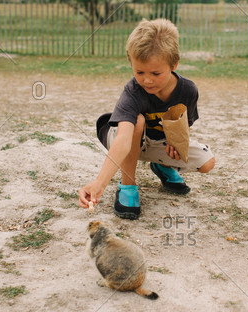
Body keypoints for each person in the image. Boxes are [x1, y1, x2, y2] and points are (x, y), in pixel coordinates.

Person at [78, 18, 215, 220]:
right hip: (120, 138)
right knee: (138, 121)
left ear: (174, 64)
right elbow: (123, 140)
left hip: (155, 142)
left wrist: (176, 143)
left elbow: (183, 126)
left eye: (156, 73)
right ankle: (127, 186)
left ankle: (161, 166)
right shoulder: (133, 92)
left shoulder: (188, 90)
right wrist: (100, 183)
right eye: (139, 72)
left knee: (207, 163)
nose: (147, 80)